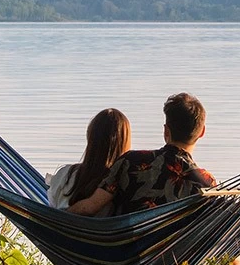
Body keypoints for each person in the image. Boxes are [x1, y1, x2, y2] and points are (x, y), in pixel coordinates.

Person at [68, 92, 215, 217]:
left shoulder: (129, 161)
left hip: (128, 239)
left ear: (166, 131)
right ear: (202, 132)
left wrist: (60, 216)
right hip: (178, 241)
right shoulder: (207, 183)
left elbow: (90, 207)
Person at [47, 108, 131, 213]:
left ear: (90, 137)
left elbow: (53, 207)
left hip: (59, 222)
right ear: (125, 142)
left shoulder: (64, 174)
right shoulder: (126, 181)